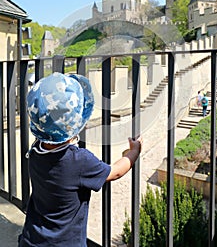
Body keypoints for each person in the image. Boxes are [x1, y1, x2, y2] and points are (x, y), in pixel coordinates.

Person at [18, 72, 142, 247]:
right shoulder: (79, 161)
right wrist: (133, 152)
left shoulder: (36, 150)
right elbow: (114, 172)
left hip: (32, 239)